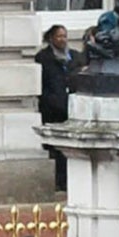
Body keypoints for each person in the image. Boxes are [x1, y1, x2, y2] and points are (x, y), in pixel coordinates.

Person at [37, 20, 71, 186]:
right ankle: (59, 180)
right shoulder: (43, 58)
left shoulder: (74, 57)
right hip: (52, 109)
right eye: (59, 36)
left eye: (65, 36)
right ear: (51, 38)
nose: (63, 39)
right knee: (55, 148)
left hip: (70, 108)